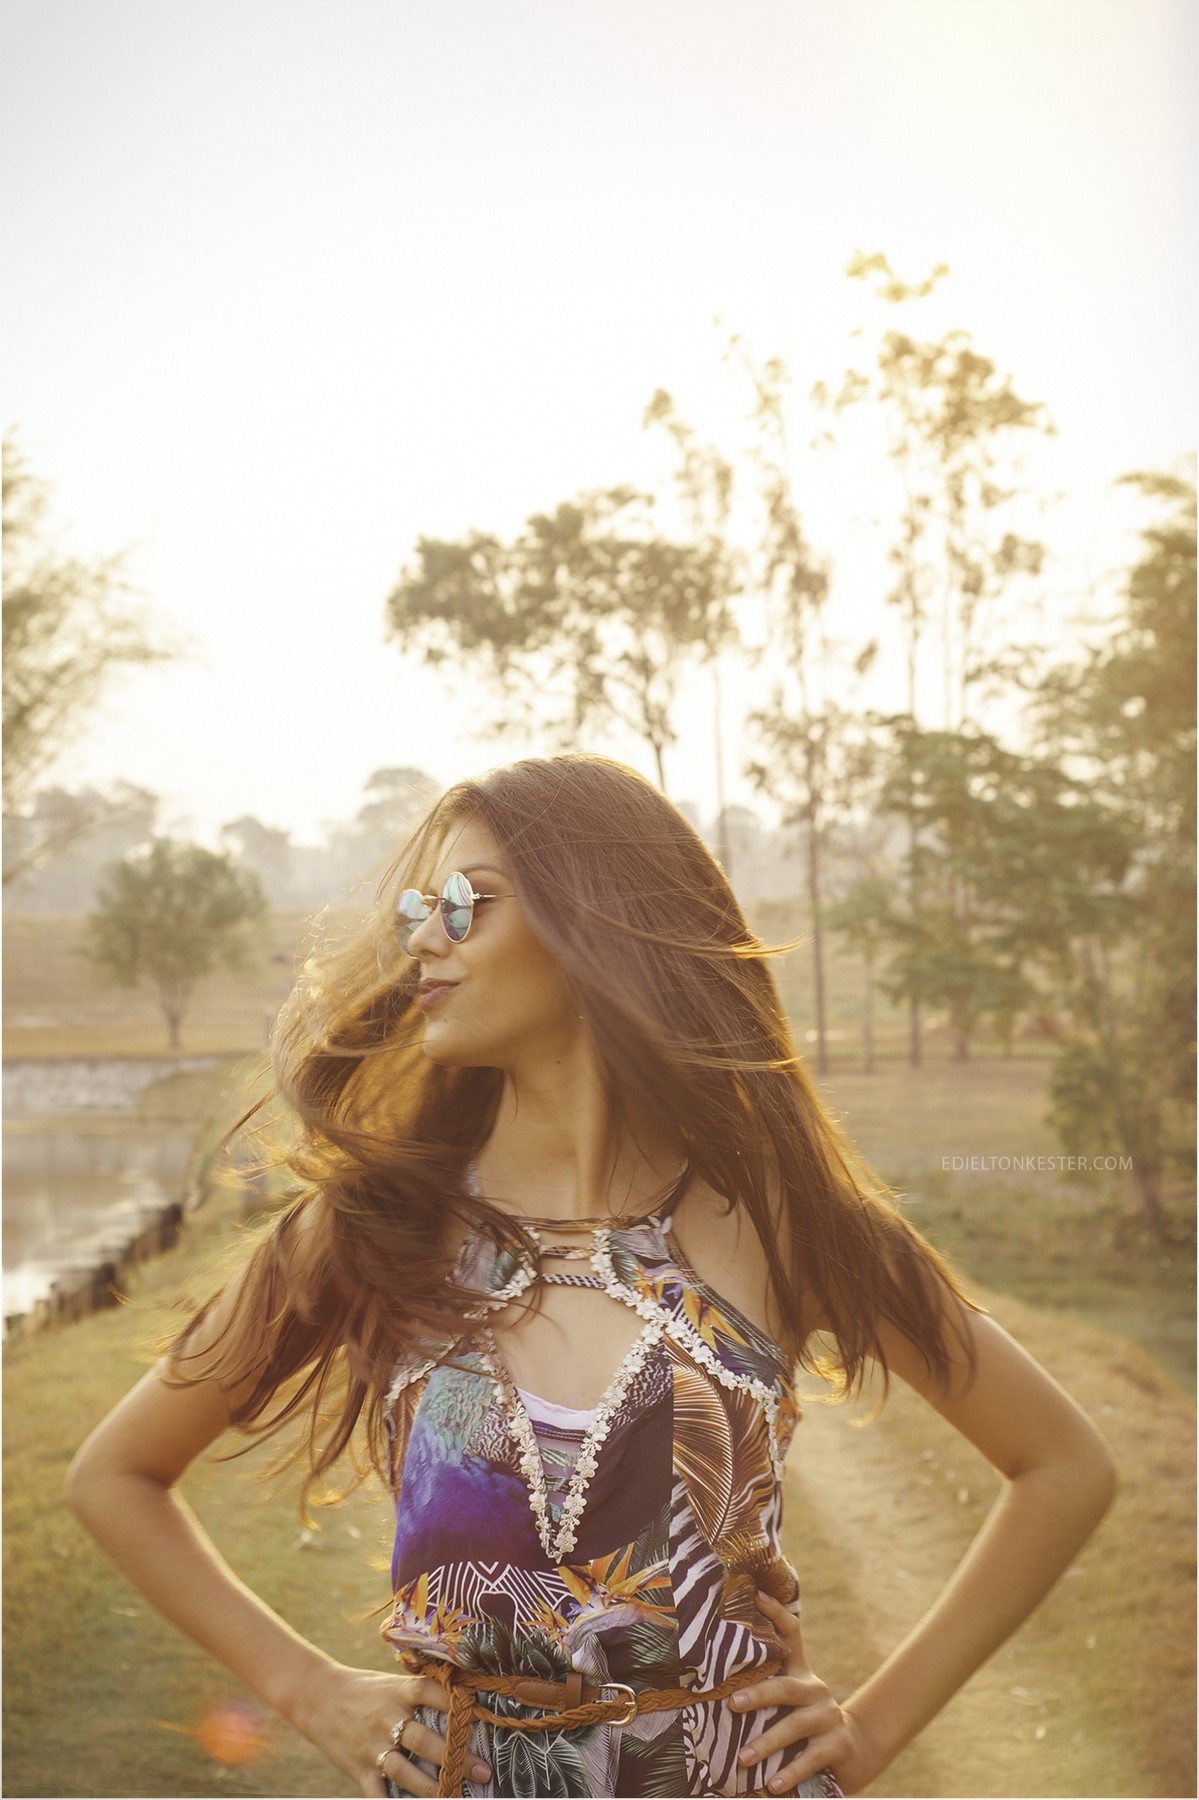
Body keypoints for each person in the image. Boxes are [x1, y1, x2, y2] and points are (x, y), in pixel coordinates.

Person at [68, 753, 1117, 1800]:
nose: (425, 939)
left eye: (467, 905)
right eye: (416, 910)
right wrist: (305, 1689)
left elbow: (1061, 1465)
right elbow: (114, 1476)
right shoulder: (368, 1227)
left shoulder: (783, 1223)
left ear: (594, 922)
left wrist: (873, 1729)